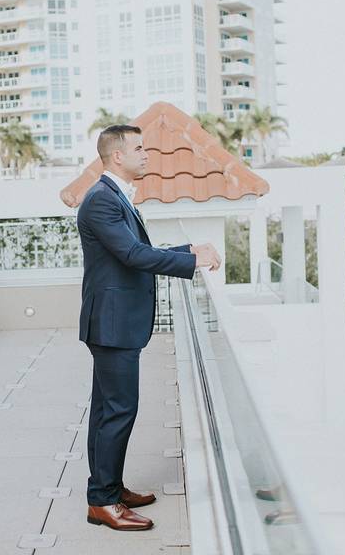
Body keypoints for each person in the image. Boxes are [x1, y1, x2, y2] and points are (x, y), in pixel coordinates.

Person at [77, 124, 221, 531]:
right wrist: (192, 263)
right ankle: (102, 502)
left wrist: (188, 249)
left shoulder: (113, 197)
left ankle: (107, 488)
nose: (147, 154)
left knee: (108, 410)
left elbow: (135, 252)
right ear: (117, 156)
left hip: (114, 323)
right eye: (139, 148)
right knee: (119, 410)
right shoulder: (101, 200)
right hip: (112, 324)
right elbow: (132, 255)